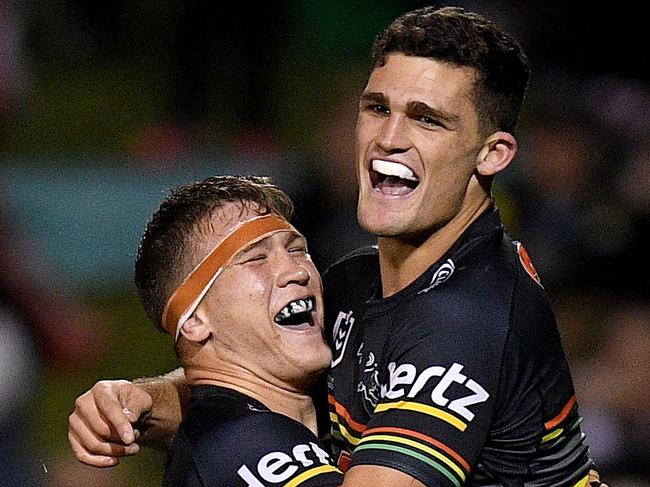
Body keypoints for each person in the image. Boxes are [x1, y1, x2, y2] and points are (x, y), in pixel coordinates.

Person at [69, 6, 602, 486]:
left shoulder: (465, 317)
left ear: (493, 155)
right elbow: (240, 372)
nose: (390, 137)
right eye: (376, 108)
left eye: (426, 118)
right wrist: (138, 401)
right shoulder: (355, 283)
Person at [104, 175, 344, 486]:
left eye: (297, 250)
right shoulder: (235, 444)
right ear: (194, 321)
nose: (297, 271)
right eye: (256, 259)